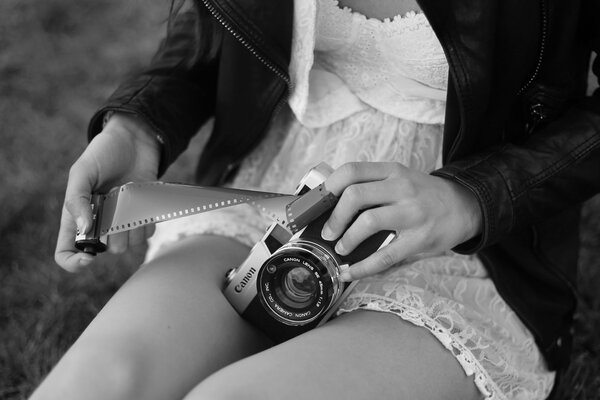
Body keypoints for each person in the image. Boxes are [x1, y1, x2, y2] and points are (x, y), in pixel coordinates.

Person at [31, 0, 600, 399]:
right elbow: (216, 28)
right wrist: (138, 126)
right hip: (274, 192)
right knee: (102, 382)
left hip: (468, 241)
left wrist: (473, 198)